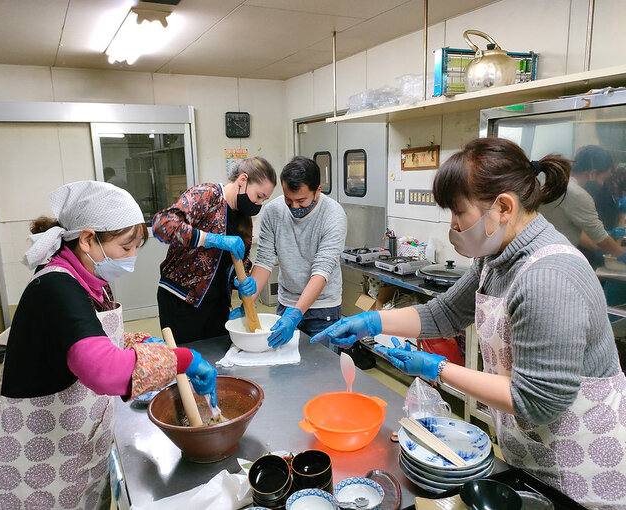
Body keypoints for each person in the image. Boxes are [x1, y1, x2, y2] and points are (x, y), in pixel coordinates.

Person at [312, 138, 626, 508]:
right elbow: (444, 313)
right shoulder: (494, 258)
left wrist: (437, 368)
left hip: (582, 466)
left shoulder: (549, 277)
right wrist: (372, 321)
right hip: (533, 451)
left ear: (504, 207)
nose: (454, 225)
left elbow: (537, 400)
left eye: (458, 213)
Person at [0, 181, 217, 510]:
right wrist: (182, 359)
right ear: (88, 239)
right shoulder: (56, 288)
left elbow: (93, 338)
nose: (130, 259)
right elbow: (103, 371)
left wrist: (145, 343)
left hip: (69, 455)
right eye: (126, 247)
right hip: (29, 470)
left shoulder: (91, 283)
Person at [152, 157, 276, 343]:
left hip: (217, 305)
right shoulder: (207, 195)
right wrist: (212, 239)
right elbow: (163, 226)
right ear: (243, 180)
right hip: (181, 300)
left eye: (264, 200)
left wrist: (241, 280)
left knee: (218, 361)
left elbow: (237, 262)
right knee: (189, 362)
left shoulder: (244, 220)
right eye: (259, 196)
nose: (258, 204)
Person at [232, 156, 347, 350]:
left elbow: (322, 270)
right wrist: (247, 304)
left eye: (301, 200)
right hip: (285, 304)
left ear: (318, 191)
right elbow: (264, 260)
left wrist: (296, 314)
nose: (294, 207)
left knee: (322, 373)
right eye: (288, 199)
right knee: (284, 370)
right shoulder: (273, 211)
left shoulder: (333, 215)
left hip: (322, 309)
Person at [539, 145, 625, 267]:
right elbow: (599, 237)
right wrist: (621, 255)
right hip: (556, 260)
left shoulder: (553, 182)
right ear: (592, 173)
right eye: (603, 178)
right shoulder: (576, 194)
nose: (602, 184)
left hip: (544, 254)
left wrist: (609, 234)